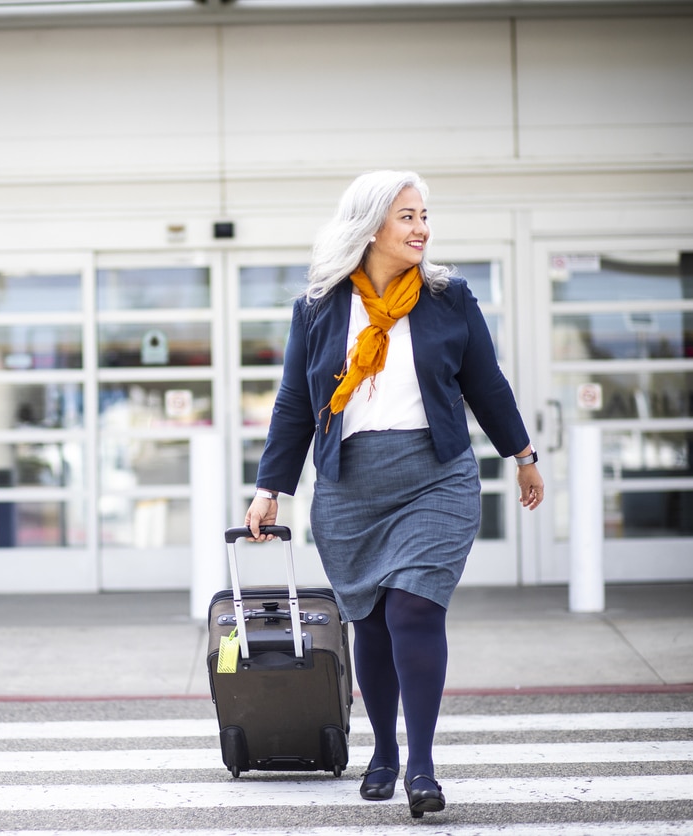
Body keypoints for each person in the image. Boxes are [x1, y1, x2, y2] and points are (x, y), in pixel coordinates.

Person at [244, 170, 544, 819]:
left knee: (414, 609)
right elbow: (297, 402)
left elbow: (486, 384)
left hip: (435, 476)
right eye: (407, 216)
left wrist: (522, 455)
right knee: (372, 622)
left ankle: (422, 765)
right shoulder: (319, 308)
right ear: (371, 224)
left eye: (424, 215)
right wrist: (271, 487)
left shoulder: (448, 298)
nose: (421, 228)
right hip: (349, 483)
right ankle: (383, 749)